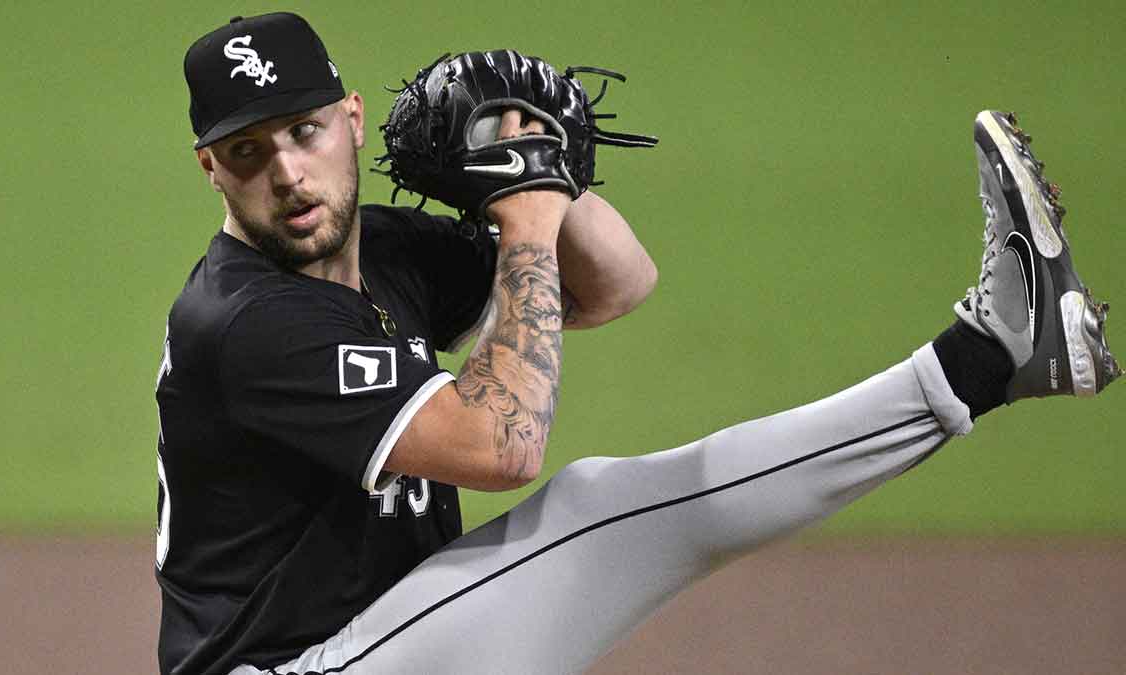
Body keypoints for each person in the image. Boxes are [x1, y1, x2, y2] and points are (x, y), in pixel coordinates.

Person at [155, 12, 1118, 675]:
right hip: (294, 667)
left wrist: (542, 171)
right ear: (210, 166)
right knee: (590, 505)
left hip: (391, 641)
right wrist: (524, 218)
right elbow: (505, 447)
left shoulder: (384, 253)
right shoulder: (246, 321)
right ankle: (987, 358)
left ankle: (997, 354)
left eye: (306, 130)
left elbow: (616, 284)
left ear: (352, 120)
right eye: (250, 150)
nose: (288, 170)